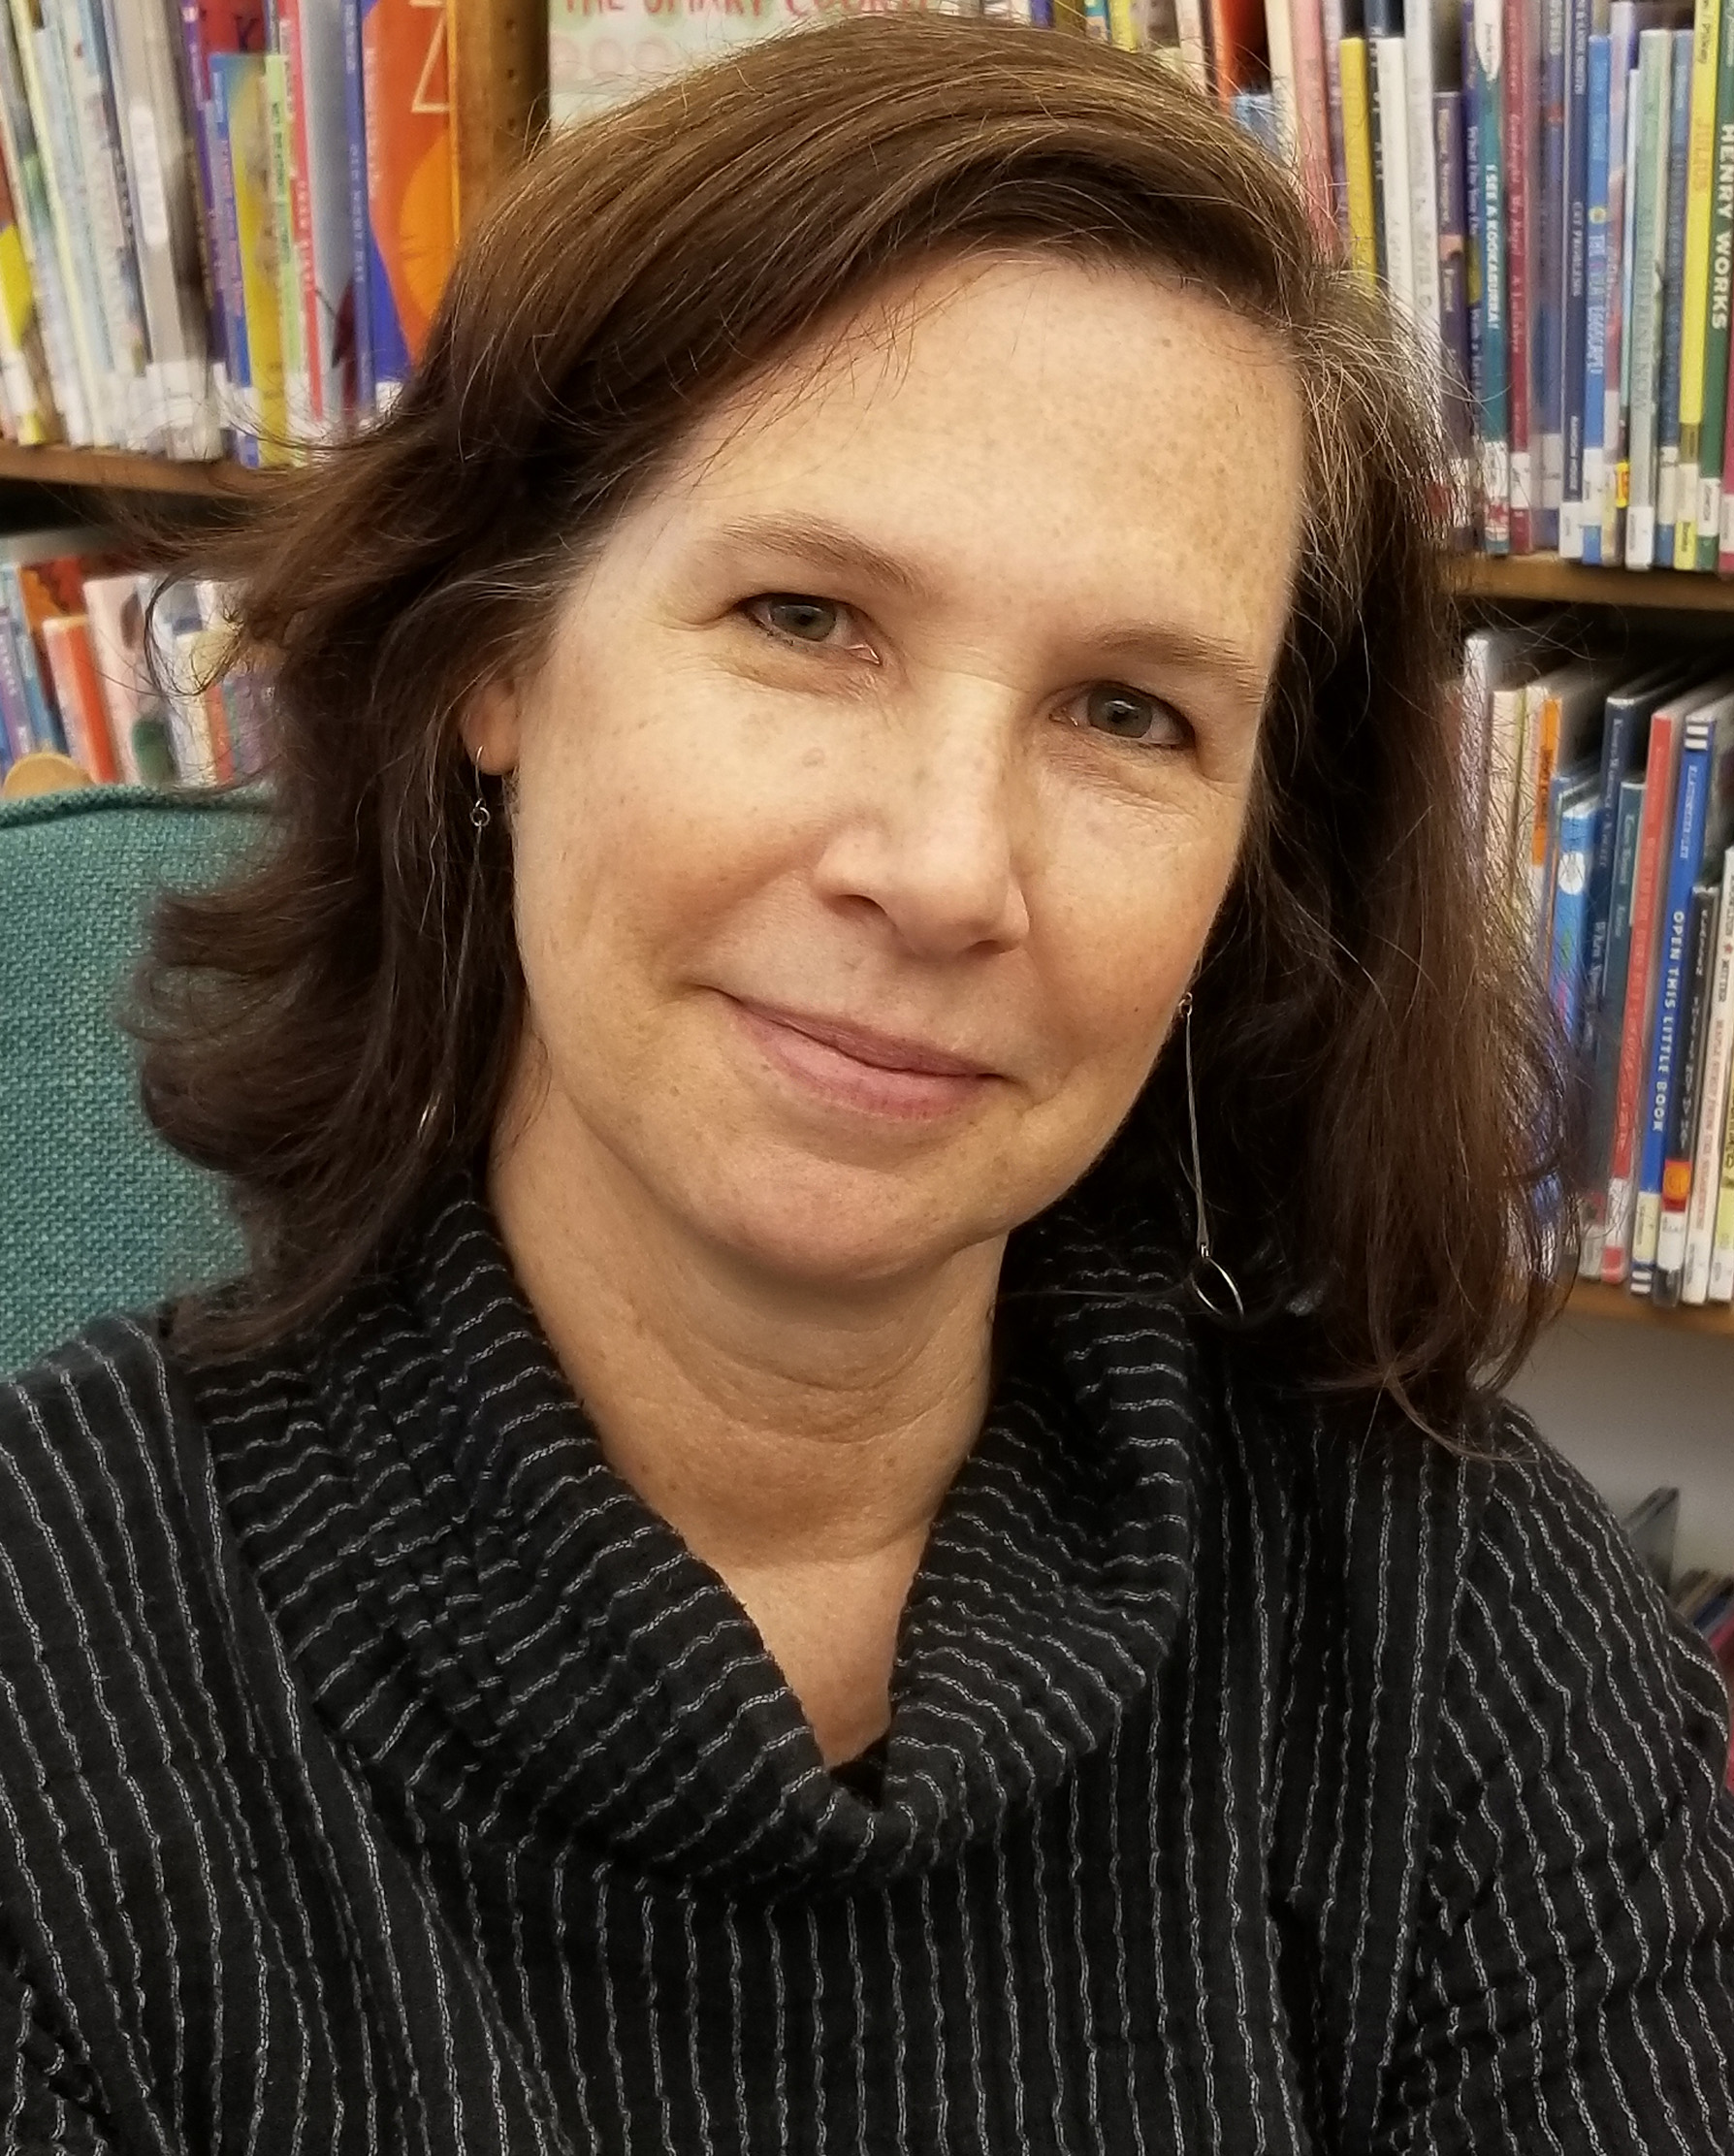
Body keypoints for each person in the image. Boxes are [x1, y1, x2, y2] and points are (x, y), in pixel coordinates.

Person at [3, 14, 1730, 2153]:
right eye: (806, 616)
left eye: (1127, 709)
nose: (942, 866)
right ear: (492, 656)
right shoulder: (48, 1669)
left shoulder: (1460, 1629)